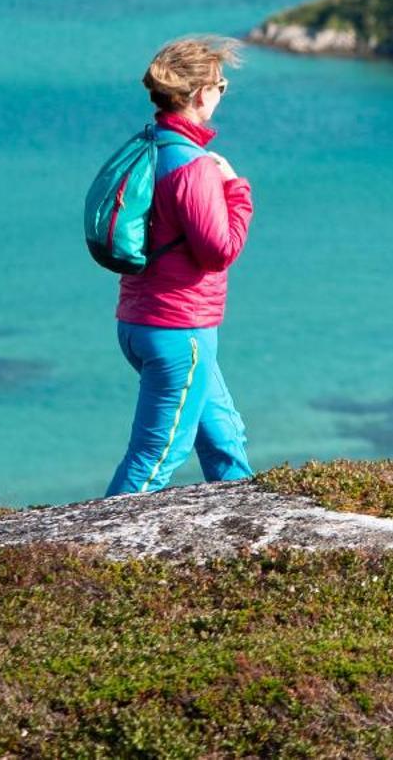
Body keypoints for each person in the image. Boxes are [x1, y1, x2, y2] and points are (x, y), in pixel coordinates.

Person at [104, 35, 256, 496]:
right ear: (200, 93)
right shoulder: (192, 166)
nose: (221, 94)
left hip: (140, 321)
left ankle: (245, 522)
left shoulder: (150, 146)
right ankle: (99, 555)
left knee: (224, 436)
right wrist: (237, 191)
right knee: (157, 455)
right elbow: (218, 250)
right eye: (221, 85)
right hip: (179, 331)